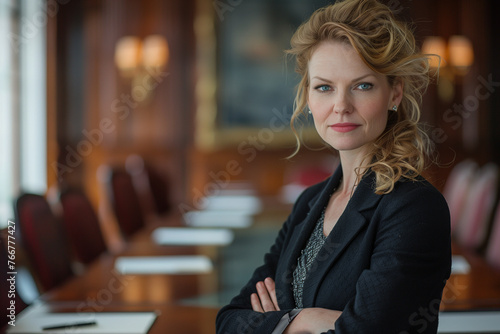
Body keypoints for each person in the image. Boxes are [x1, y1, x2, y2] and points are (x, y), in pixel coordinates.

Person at [216, 0, 451, 333]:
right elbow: (229, 320)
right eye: (324, 87)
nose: (341, 106)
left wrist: (278, 322)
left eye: (362, 85)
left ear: (394, 93)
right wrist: (304, 319)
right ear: (309, 98)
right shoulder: (309, 203)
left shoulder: (414, 208)